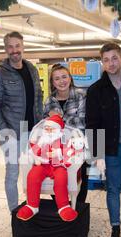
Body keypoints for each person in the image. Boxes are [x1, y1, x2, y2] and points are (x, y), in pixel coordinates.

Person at [86, 42, 121, 237]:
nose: (111, 63)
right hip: (111, 149)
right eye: (106, 60)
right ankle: (115, 230)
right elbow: (92, 123)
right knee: (113, 190)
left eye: (114, 58)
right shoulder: (96, 90)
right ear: (102, 62)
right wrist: (97, 154)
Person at [0, 31, 43, 213]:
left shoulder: (32, 70)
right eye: (10, 47)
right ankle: (14, 213)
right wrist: (4, 131)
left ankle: (32, 206)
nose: (14, 50)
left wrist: (41, 125)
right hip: (12, 133)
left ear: (22, 46)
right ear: (6, 49)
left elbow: (39, 98)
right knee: (12, 174)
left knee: (33, 172)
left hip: (33, 132)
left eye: (17, 46)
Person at [17, 114, 79, 222]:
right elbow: (33, 151)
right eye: (47, 129)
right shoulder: (42, 140)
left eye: (52, 129)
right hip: (43, 164)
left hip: (58, 165)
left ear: (58, 130)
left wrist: (58, 153)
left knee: (61, 178)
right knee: (33, 176)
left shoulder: (64, 139)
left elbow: (71, 151)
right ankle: (32, 206)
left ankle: (63, 206)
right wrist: (36, 157)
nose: (49, 131)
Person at [43, 64, 88, 204]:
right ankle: (62, 205)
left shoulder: (81, 95)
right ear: (52, 82)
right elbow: (46, 127)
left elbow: (81, 124)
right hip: (56, 150)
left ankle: (78, 208)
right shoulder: (49, 101)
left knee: (80, 180)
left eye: (64, 76)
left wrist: (57, 119)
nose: (61, 81)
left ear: (70, 78)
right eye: (57, 78)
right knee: (56, 179)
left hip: (78, 146)